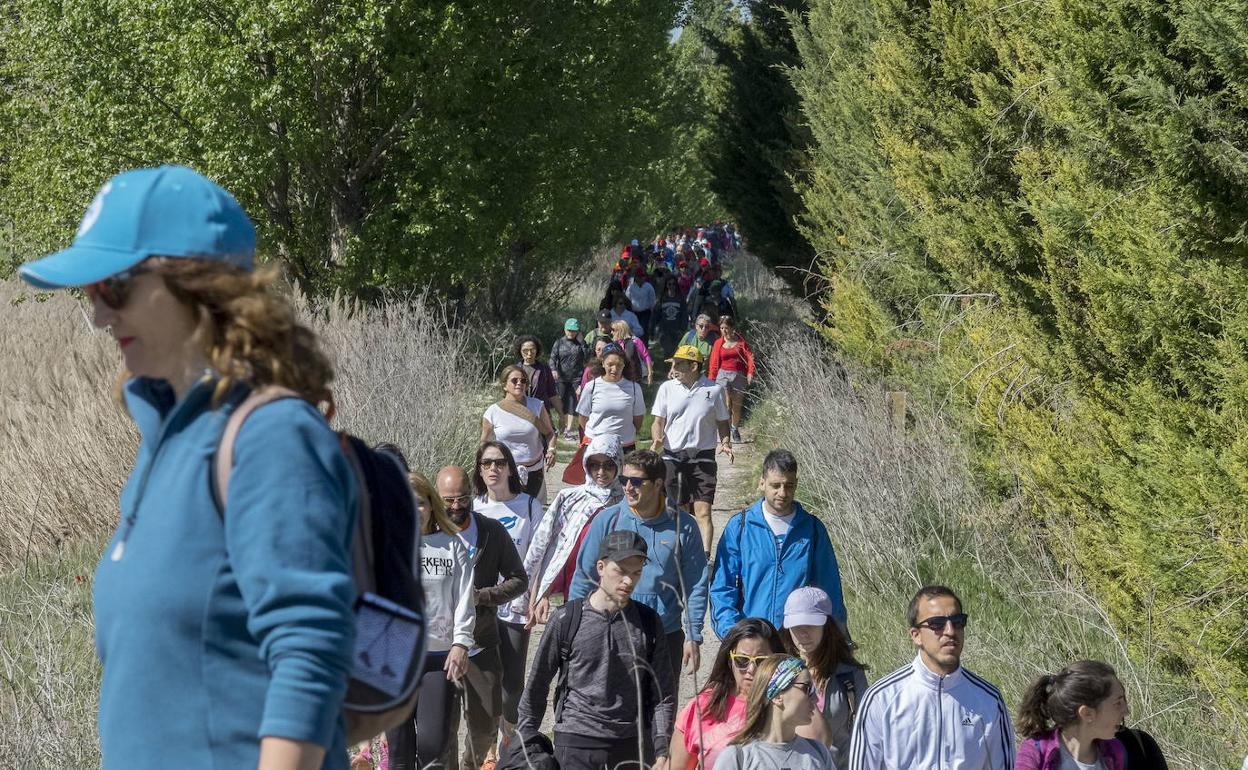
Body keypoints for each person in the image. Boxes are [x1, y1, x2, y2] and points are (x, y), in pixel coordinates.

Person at [17, 165, 359, 770]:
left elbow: (309, 654)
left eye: (113, 287)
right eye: (88, 292)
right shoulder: (165, 439)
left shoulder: (270, 437)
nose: (98, 316)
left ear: (197, 285)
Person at [517, 530, 676, 770]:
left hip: (631, 745)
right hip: (575, 743)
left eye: (636, 573)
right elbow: (537, 684)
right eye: (620, 571)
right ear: (601, 567)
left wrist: (663, 750)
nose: (628, 581)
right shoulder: (566, 619)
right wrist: (524, 743)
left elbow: (662, 694)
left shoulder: (649, 623)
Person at [569, 449, 709, 685]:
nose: (627, 487)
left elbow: (696, 583)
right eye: (624, 480)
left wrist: (693, 635)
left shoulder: (683, 526)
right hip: (613, 630)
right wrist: (574, 629)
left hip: (665, 633)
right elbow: (584, 576)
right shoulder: (607, 520)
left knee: (661, 712)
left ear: (657, 483)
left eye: (636, 481)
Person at [848, 585, 1015, 770]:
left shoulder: (988, 700)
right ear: (916, 635)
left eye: (958, 621)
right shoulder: (882, 699)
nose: (950, 631)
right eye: (937, 623)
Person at [436, 465, 527, 770]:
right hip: (437, 649)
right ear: (437, 497)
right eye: (448, 500)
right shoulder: (425, 534)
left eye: (462, 499)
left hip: (481, 644)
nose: (456, 507)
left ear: (471, 495)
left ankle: (471, 765)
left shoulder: (490, 531)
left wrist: (482, 597)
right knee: (441, 728)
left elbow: (518, 579)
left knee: (484, 726)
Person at [387, 472, 475, 770]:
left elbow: (465, 598)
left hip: (438, 659)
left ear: (431, 505)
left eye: (421, 503)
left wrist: (461, 643)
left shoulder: (452, 545)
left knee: (432, 746)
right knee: (398, 751)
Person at [710, 449, 847, 639]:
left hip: (798, 643)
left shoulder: (813, 530)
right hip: (753, 644)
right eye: (775, 485)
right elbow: (722, 588)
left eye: (789, 486)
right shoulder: (740, 527)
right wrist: (733, 635)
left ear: (796, 484)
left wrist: (839, 640)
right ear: (761, 483)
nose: (782, 493)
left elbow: (829, 591)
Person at [471, 444, 545, 760]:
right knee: (487, 681)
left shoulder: (529, 507)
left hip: (516, 606)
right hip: (481, 608)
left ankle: (508, 738)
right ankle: (490, 751)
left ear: (510, 468)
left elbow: (541, 556)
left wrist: (536, 597)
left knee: (512, 683)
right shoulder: (472, 507)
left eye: (500, 462)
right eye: (486, 463)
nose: (493, 469)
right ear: (479, 469)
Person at [525, 434, 625, 625]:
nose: (601, 472)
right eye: (595, 465)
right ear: (586, 465)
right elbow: (549, 547)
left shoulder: (626, 503)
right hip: (575, 589)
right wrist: (541, 593)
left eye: (608, 465)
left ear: (618, 464)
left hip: (616, 593)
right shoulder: (570, 499)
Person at [650, 344, 732, 556]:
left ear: (694, 366)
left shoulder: (713, 390)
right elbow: (658, 420)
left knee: (703, 511)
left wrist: (725, 442)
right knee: (678, 510)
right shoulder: (667, 388)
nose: (674, 368)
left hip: (703, 457)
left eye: (679, 364)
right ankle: (682, 552)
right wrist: (656, 436)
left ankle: (705, 558)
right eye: (674, 364)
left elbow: (723, 421)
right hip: (672, 456)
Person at [671, 618, 782, 770]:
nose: (751, 669)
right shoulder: (702, 706)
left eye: (761, 661)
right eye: (742, 660)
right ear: (730, 660)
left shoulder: (788, 704)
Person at [780, 587, 867, 768]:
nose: (803, 633)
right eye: (796, 626)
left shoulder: (849, 675)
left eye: (810, 625)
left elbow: (867, 732)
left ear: (827, 626)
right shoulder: (777, 673)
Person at [713, 655, 834, 770]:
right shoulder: (738, 757)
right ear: (777, 696)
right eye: (807, 688)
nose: (815, 699)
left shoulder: (818, 752)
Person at [1015, 660, 1129, 770]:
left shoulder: (1114, 752)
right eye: (1118, 703)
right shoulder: (1036, 751)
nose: (1126, 711)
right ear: (1087, 713)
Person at [481, 364, 557, 500]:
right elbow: (484, 443)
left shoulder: (537, 406)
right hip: (506, 472)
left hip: (535, 470)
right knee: (508, 511)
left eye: (523, 381)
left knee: (534, 512)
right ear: (504, 385)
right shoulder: (492, 412)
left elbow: (550, 433)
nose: (519, 384)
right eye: (514, 380)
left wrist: (551, 450)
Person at [576, 345, 647, 452]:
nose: (615, 369)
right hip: (596, 445)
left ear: (624, 365)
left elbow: (638, 420)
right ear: (603, 363)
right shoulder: (591, 386)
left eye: (619, 365)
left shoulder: (634, 388)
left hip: (624, 446)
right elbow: (583, 417)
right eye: (610, 364)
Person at [707, 315, 755, 444]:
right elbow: (713, 363)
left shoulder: (740, 342)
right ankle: (726, 430)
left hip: (738, 375)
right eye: (722, 328)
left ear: (732, 328)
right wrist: (710, 380)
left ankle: (734, 428)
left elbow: (750, 357)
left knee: (737, 407)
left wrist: (750, 372)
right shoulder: (718, 343)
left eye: (726, 328)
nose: (724, 331)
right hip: (722, 375)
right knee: (726, 404)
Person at [550, 319, 590, 440]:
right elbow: (552, 358)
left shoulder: (581, 344)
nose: (571, 333)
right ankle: (560, 425)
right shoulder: (559, 342)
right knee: (560, 402)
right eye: (569, 330)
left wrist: (582, 342)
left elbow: (588, 356)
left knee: (572, 403)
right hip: (561, 377)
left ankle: (568, 430)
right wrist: (553, 369)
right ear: (565, 329)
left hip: (576, 378)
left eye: (574, 331)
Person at [515, 335, 559, 417]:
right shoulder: (514, 371)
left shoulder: (545, 370)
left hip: (542, 414)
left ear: (537, 350)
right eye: (525, 350)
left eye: (532, 350)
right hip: (520, 415)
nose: (529, 353)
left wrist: (561, 415)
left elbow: (552, 394)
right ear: (520, 351)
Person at [612, 318, 655, 385]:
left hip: (634, 374)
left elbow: (646, 356)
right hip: (619, 374)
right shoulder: (614, 343)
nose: (611, 332)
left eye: (613, 330)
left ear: (620, 330)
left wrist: (650, 372)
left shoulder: (635, 341)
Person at [656, 277, 689, 360]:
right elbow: (656, 314)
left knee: (676, 352)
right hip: (664, 330)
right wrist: (652, 328)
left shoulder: (680, 298)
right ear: (666, 285)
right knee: (667, 352)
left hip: (677, 329)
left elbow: (684, 314)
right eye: (669, 284)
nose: (671, 286)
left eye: (673, 284)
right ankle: (666, 370)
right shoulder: (661, 298)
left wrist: (683, 328)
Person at [626, 269, 658, 341]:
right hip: (634, 313)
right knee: (635, 330)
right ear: (636, 277)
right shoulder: (631, 288)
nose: (641, 278)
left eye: (642, 277)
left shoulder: (649, 287)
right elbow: (627, 300)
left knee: (644, 330)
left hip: (645, 312)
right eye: (639, 277)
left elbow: (652, 300)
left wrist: (652, 311)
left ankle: (644, 347)